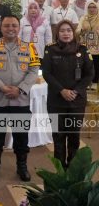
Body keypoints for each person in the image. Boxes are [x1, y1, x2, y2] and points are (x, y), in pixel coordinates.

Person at [0, 15, 40, 182]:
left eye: (14, 25)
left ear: (19, 27)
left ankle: (22, 166)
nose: (10, 29)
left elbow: (34, 70)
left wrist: (20, 89)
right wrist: (2, 87)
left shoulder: (29, 47)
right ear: (1, 28)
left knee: (21, 136)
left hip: (20, 101)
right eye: (7, 25)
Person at [43, 20, 94, 168]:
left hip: (76, 101)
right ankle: (60, 171)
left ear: (74, 32)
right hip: (56, 100)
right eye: (62, 31)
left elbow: (89, 75)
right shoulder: (50, 50)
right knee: (58, 136)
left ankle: (72, 169)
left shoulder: (83, 50)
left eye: (69, 30)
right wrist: (62, 90)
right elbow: (46, 73)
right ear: (57, 33)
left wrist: (76, 91)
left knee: (73, 136)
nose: (66, 33)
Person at [76, 2, 99, 83]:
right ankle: (86, 82)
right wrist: (82, 30)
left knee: (96, 65)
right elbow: (77, 31)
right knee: (86, 65)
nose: (92, 9)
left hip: (97, 47)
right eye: (89, 7)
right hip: (85, 46)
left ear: (97, 8)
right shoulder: (83, 18)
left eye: (94, 7)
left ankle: (95, 82)